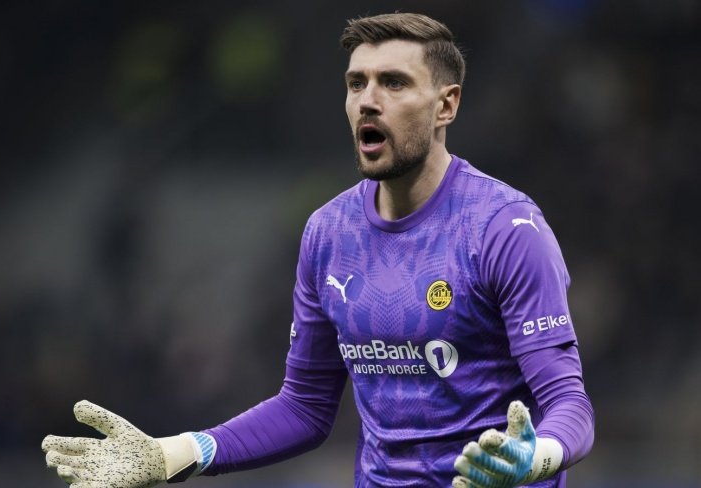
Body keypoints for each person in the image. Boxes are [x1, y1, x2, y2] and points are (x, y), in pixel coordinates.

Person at [42, 12, 594, 488]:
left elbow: (570, 405)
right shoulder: (328, 232)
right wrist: (174, 453)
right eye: (357, 84)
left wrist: (532, 458)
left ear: (446, 105)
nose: (369, 101)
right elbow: (305, 406)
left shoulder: (504, 228)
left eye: (394, 83)